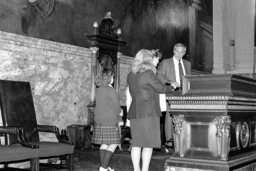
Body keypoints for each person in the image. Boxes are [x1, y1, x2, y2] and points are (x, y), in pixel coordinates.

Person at [127, 49, 178, 171]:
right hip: (149, 113)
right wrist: (172, 86)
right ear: (147, 60)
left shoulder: (130, 75)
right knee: (148, 144)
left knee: (137, 144)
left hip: (135, 112)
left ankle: (136, 170)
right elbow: (161, 88)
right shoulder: (149, 74)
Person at [157, 43, 191, 151]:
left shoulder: (187, 64)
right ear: (173, 50)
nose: (179, 54)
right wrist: (171, 82)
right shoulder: (165, 63)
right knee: (170, 116)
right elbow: (159, 78)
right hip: (171, 92)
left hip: (184, 94)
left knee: (184, 116)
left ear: (184, 53)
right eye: (177, 51)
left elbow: (189, 78)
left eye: (182, 52)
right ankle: (169, 141)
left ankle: (182, 139)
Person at [92, 69, 123, 171]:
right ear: (109, 78)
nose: (113, 79)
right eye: (112, 77)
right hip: (109, 120)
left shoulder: (99, 89)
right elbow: (116, 107)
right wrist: (121, 112)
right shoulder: (110, 90)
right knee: (114, 143)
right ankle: (103, 167)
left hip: (99, 121)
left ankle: (104, 166)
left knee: (104, 143)